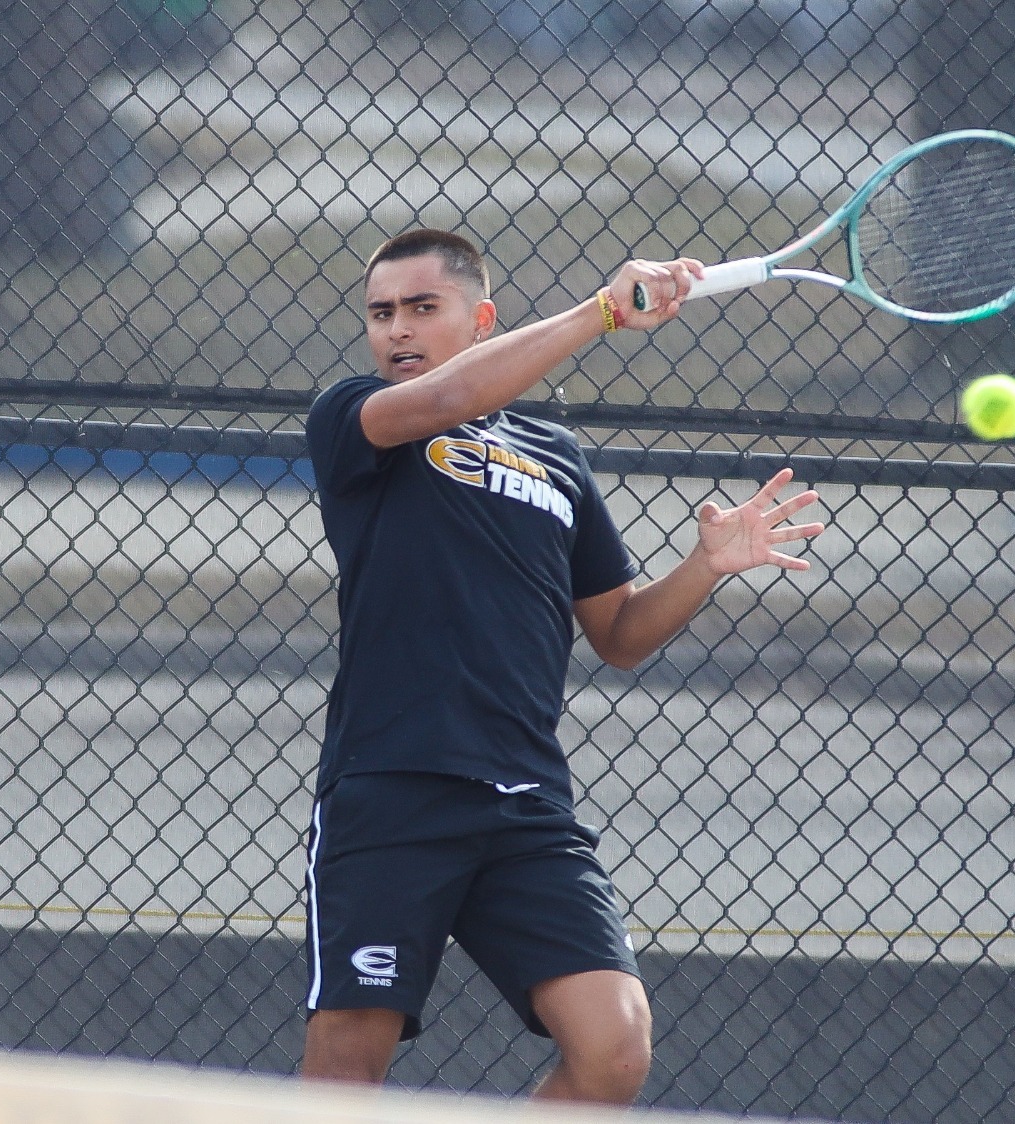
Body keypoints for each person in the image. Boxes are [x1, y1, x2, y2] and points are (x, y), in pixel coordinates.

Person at [301, 229, 825, 1104]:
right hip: (393, 789)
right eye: (381, 313)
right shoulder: (355, 418)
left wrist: (705, 566)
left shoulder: (554, 458)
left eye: (423, 308)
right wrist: (600, 313)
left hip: (526, 805)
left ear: (483, 319)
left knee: (614, 1049)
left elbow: (620, 633)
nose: (398, 329)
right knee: (345, 1074)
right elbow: (452, 396)